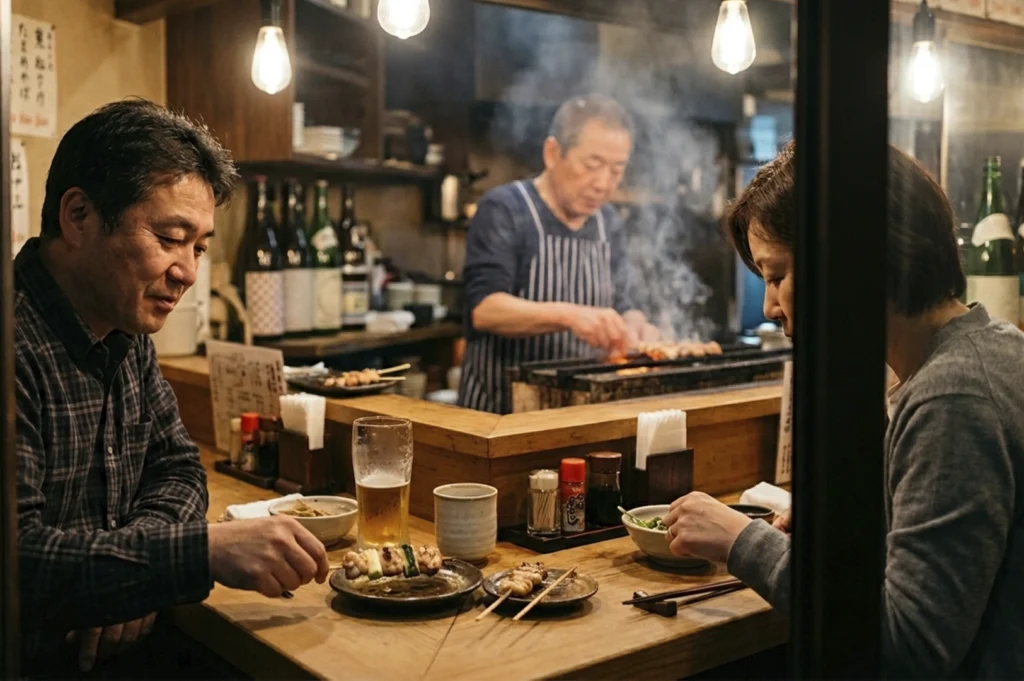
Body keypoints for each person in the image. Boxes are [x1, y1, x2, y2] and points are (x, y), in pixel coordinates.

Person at [662, 143, 1024, 678]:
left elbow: (907, 647)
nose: (769, 306)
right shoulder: (993, 345)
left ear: (854, 258)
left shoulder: (952, 395)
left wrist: (744, 542)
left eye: (778, 274)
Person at [15, 100, 331, 675]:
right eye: (169, 237)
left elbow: (178, 467)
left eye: (200, 247)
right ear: (79, 216)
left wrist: (134, 574)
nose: (187, 271)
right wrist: (196, 552)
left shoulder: (123, 328)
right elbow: (18, 562)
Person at [458, 94, 659, 414]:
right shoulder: (505, 209)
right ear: (553, 153)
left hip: (578, 414)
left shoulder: (609, 222)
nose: (603, 183)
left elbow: (627, 304)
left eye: (617, 170)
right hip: (501, 417)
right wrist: (571, 316)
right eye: (592, 165)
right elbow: (486, 309)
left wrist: (637, 329)